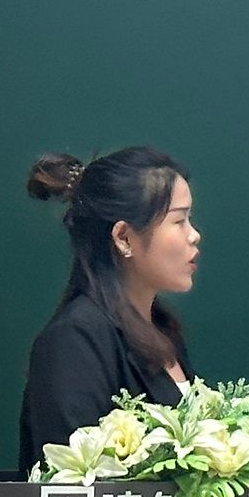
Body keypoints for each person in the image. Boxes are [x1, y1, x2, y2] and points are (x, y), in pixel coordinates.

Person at [18, 145, 203, 474]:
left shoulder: (163, 331)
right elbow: (68, 484)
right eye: (179, 220)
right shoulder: (74, 341)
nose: (194, 235)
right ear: (123, 237)